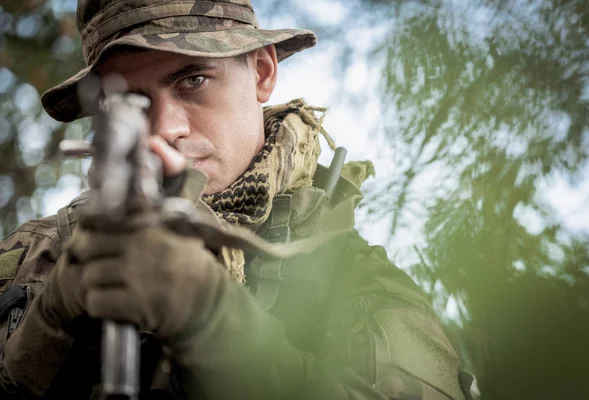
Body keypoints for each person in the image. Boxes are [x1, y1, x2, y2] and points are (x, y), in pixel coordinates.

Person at [0, 0, 473, 399]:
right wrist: (54, 328)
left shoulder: (355, 278)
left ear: (263, 71)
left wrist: (214, 322)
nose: (166, 128)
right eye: (131, 103)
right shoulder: (31, 257)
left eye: (193, 81)